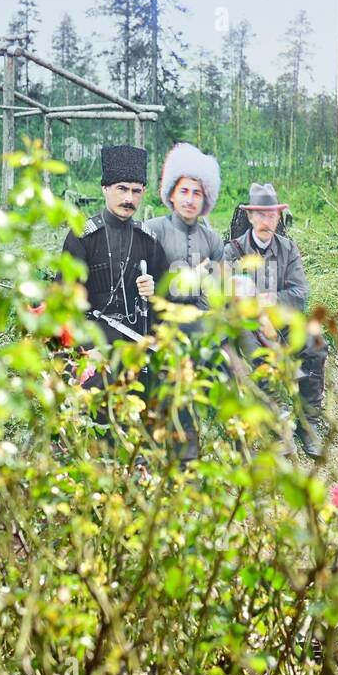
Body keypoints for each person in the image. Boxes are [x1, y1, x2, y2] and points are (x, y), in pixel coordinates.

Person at [223, 182, 327, 458]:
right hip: (248, 325)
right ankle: (275, 426)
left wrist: (270, 300)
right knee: (259, 357)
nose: (265, 221)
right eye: (260, 214)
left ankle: (310, 423)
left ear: (278, 217)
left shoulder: (288, 249)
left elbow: (300, 293)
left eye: (271, 215)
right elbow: (226, 295)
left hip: (282, 321)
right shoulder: (232, 251)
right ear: (249, 216)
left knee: (315, 345)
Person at [141, 142, 226, 460]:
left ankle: (188, 449)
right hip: (155, 319)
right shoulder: (152, 231)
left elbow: (214, 295)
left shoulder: (213, 241)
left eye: (197, 193)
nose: (190, 200)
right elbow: (142, 285)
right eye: (185, 191)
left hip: (196, 323)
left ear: (205, 200)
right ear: (171, 193)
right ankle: (152, 444)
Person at [61, 143, 169, 346]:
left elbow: (165, 301)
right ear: (105, 188)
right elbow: (63, 301)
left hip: (137, 342)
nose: (129, 198)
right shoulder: (82, 237)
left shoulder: (147, 240)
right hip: (91, 342)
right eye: (122, 189)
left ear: (144, 191)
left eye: (136, 191)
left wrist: (152, 293)